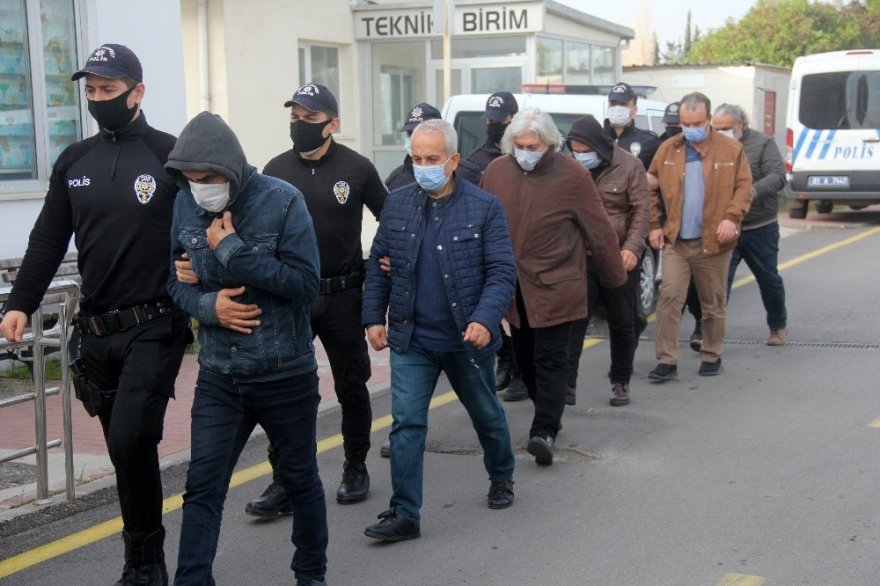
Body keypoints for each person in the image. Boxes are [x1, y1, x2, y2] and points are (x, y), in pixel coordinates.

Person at [0, 44, 190, 585]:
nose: (99, 100)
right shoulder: (73, 160)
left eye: (109, 90)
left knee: (133, 438)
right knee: (123, 449)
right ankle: (143, 554)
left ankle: (145, 563)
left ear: (138, 92)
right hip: (97, 332)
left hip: (155, 324)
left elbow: (208, 226)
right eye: (92, 92)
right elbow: (46, 241)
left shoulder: (169, 155)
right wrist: (21, 304)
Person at [166, 112, 327, 586]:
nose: (201, 189)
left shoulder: (282, 201)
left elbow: (305, 284)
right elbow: (173, 281)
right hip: (219, 375)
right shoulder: (183, 205)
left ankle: (310, 575)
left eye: (210, 179)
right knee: (202, 488)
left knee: (299, 481)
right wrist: (207, 306)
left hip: (284, 374)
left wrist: (233, 251)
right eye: (192, 180)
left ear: (233, 170)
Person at [361, 119, 517, 542]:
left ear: (453, 161)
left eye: (432, 159)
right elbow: (378, 264)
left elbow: (502, 271)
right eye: (416, 158)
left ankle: (502, 474)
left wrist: (484, 319)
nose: (423, 166)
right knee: (407, 424)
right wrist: (374, 318)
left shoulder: (484, 208)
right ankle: (404, 512)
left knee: (486, 414)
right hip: (413, 339)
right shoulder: (397, 204)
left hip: (466, 340)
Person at [245, 82, 386, 516]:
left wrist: (385, 259)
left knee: (351, 387)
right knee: (287, 391)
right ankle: (285, 481)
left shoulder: (358, 168)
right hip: (290, 299)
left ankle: (355, 467)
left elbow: (393, 218)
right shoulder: (273, 170)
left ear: (332, 124)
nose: (301, 125)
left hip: (342, 294)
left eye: (310, 118)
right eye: (295, 117)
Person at [481, 108, 626, 466]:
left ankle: (544, 429)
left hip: (559, 284)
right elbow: (479, 223)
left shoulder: (573, 175)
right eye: (520, 145)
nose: (527, 152)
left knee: (551, 359)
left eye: (534, 145)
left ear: (549, 144)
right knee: (526, 360)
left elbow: (599, 231)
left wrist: (614, 283)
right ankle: (544, 412)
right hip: (516, 289)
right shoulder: (497, 172)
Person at [647, 92, 753, 382]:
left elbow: (744, 189)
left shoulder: (730, 150)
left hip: (713, 243)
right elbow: (651, 188)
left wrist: (731, 219)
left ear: (708, 120)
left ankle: (711, 353)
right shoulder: (668, 150)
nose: (689, 127)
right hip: (677, 241)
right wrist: (654, 224)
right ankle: (666, 359)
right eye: (684, 122)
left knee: (712, 302)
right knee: (669, 297)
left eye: (695, 122)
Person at [564, 115, 650, 407]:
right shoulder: (571, 168)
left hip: (619, 257)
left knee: (622, 322)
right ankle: (567, 384)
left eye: (584, 151)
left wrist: (632, 249)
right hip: (583, 257)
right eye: (575, 151)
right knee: (575, 322)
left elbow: (641, 212)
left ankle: (620, 381)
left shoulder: (629, 166)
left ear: (598, 147)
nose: (580, 157)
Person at [464, 91, 527, 402]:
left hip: (524, 248)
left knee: (524, 316)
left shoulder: (525, 155)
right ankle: (507, 355)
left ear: (513, 119)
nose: (493, 125)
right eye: (489, 120)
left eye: (499, 121)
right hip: (486, 249)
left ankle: (523, 373)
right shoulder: (475, 161)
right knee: (487, 308)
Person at [712, 103, 789, 345]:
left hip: (759, 226)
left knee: (768, 279)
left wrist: (750, 192)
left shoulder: (762, 144)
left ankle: (777, 326)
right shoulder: (711, 145)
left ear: (740, 125)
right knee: (717, 283)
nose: (719, 132)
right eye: (715, 128)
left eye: (725, 128)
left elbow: (777, 177)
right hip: (725, 227)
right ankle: (708, 334)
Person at [385, 102, 444, 190]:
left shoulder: (460, 174)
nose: (414, 138)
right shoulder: (396, 181)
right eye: (410, 133)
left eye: (420, 132)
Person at [603, 81, 662, 170]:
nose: (617, 108)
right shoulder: (597, 138)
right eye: (613, 104)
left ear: (634, 110)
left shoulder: (649, 142)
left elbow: (656, 176)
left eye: (623, 104)